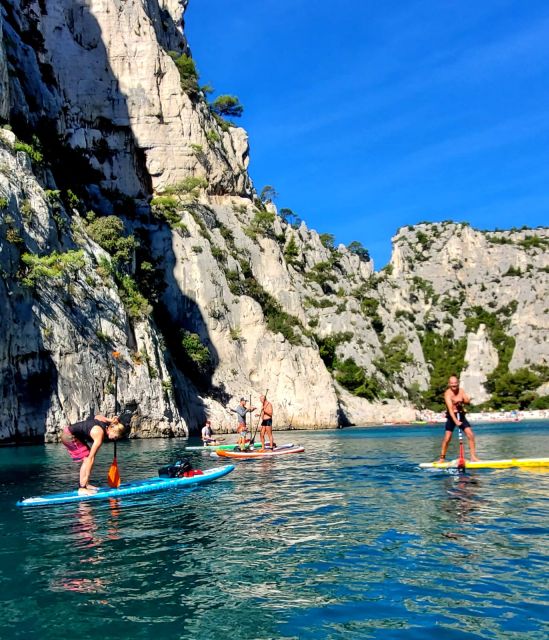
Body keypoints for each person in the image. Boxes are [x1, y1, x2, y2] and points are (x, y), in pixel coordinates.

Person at [61, 414, 125, 495]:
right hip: (69, 436)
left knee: (87, 456)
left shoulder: (105, 424)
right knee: (87, 458)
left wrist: (110, 420)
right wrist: (87, 475)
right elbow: (91, 458)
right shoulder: (99, 434)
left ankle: (85, 485)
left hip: (73, 434)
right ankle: (82, 488)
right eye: (115, 436)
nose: (114, 439)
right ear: (112, 429)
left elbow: (97, 417)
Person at [437, 375, 479, 463]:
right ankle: (441, 458)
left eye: (455, 383)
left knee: (470, 434)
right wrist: (456, 421)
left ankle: (473, 457)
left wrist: (462, 400)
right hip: (452, 416)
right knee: (447, 438)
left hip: (461, 414)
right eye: (452, 384)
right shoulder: (447, 394)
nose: (454, 385)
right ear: (449, 384)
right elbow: (450, 409)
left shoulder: (461, 391)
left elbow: (467, 401)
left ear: (458, 383)